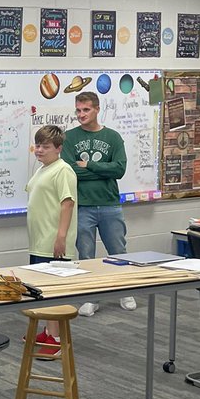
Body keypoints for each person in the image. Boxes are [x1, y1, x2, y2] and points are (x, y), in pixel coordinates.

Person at [61, 90, 135, 316]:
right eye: (78, 110)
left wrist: (90, 166)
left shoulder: (112, 137)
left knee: (118, 251)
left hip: (110, 204)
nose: (81, 114)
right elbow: (69, 171)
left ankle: (125, 290)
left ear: (97, 109)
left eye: (86, 110)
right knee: (85, 254)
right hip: (82, 205)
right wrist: (103, 171)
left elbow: (120, 169)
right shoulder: (70, 137)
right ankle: (90, 298)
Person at [25, 124, 77, 348]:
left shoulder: (63, 170)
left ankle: (55, 339)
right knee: (41, 289)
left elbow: (67, 203)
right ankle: (48, 331)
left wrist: (61, 237)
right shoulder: (42, 169)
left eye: (45, 146)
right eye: (37, 145)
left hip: (52, 241)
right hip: (39, 240)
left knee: (53, 291)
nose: (39, 150)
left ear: (58, 148)